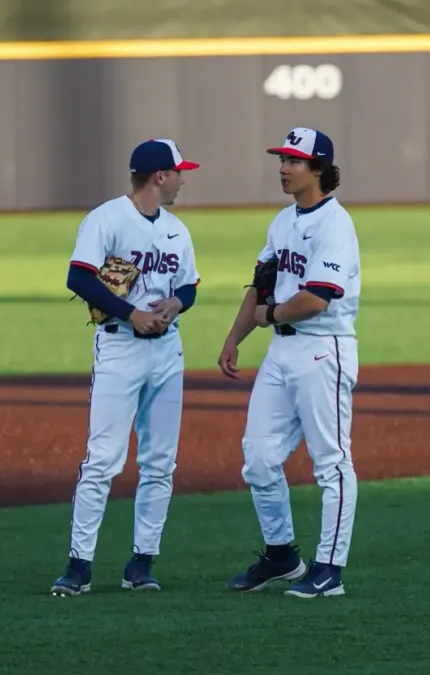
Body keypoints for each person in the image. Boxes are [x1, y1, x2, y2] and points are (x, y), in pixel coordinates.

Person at [51, 139, 202, 596]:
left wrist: (176, 303)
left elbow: (190, 287)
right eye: (178, 172)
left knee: (160, 463)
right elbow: (78, 276)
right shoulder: (106, 219)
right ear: (160, 176)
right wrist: (130, 312)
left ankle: (142, 563)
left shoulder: (177, 230)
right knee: (102, 460)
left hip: (167, 353)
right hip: (120, 349)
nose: (182, 179)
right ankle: (79, 566)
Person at [218, 127, 361, 598]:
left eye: (294, 160)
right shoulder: (282, 222)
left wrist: (270, 314)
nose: (283, 167)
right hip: (281, 352)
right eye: (282, 158)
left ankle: (330, 570)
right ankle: (282, 557)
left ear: (318, 168)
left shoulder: (335, 225)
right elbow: (260, 284)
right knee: (258, 457)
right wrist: (235, 336)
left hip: (324, 348)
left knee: (332, 463)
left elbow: (318, 299)